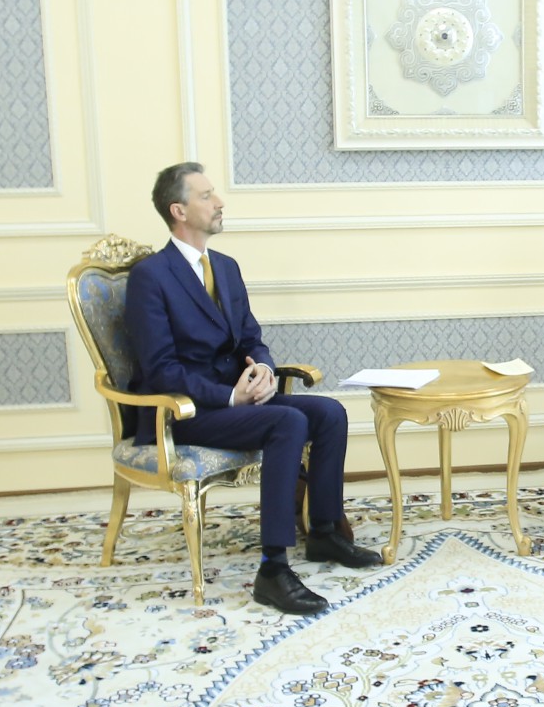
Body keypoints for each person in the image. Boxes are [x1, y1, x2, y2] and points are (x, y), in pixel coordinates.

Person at [123, 163, 381, 615]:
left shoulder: (225, 267)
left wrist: (262, 370)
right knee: (288, 422)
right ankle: (272, 569)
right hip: (185, 413)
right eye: (207, 196)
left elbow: (250, 338)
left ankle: (323, 532)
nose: (219, 202)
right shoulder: (151, 276)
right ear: (178, 210)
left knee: (330, 413)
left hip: (238, 401)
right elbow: (160, 369)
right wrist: (230, 396)